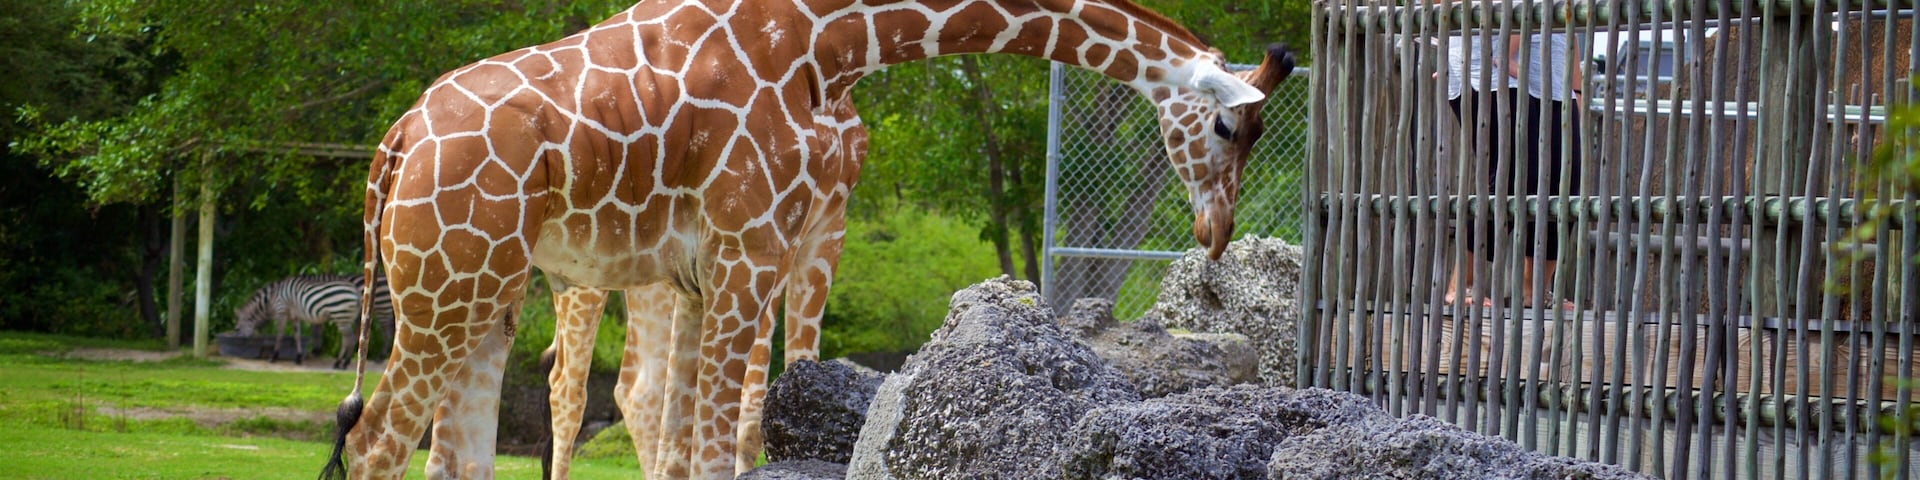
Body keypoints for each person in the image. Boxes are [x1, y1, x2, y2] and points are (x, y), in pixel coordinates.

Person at [1439, 5, 1583, 310]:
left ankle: (1535, 290)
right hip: (1492, 64)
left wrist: (1577, 89)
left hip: (1548, 73)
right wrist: (1507, 53)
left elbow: (1569, 22)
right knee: (1509, 174)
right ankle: (1460, 284)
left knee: (1564, 178)